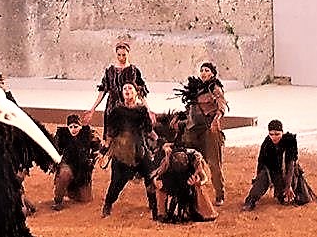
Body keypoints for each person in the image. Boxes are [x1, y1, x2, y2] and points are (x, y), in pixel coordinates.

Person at [101, 82, 158, 219]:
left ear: (136, 92)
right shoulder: (116, 111)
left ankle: (154, 205)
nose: (127, 90)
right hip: (122, 152)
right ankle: (108, 204)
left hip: (140, 150)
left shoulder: (142, 110)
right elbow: (110, 132)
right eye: (124, 88)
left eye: (130, 88)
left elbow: (148, 130)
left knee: (150, 177)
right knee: (117, 182)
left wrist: (159, 141)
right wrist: (105, 149)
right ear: (122, 93)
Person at [241, 119, 317, 211]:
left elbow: (291, 164)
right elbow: (261, 162)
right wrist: (258, 180)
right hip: (272, 172)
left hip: (290, 172)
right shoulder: (267, 143)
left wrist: (288, 186)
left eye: (277, 134)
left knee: (303, 200)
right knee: (261, 179)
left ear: (282, 133)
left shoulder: (290, 140)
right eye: (271, 134)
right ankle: (250, 202)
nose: (274, 137)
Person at [150, 113, 218, 223]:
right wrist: (157, 183)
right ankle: (162, 213)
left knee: (198, 187)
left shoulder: (195, 158)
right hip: (174, 179)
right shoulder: (169, 159)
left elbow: (205, 178)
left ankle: (205, 212)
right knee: (161, 187)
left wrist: (198, 183)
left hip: (189, 179)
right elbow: (156, 176)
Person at [178, 62, 228, 206]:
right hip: (193, 130)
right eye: (202, 70)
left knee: (214, 163)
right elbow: (190, 110)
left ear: (212, 73)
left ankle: (219, 194)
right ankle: (190, 191)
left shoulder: (214, 88)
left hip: (208, 130)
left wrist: (216, 120)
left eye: (207, 70)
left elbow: (222, 105)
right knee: (188, 160)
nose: (204, 73)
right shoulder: (195, 88)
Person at [0, 70, 39, 215]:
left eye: (2, 83)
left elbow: (18, 118)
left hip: (13, 147)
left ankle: (21, 202)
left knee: (14, 177)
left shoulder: (10, 100)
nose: (0, 86)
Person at [82, 41, 149, 137]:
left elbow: (140, 92)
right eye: (119, 55)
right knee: (112, 134)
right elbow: (103, 90)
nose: (121, 58)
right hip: (112, 106)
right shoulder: (110, 71)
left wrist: (148, 109)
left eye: (124, 55)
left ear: (128, 54)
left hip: (128, 106)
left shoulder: (134, 71)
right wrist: (93, 108)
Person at [51, 114, 103, 211]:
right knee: (64, 174)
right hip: (68, 164)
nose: (73, 129)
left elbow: (97, 147)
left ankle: (71, 190)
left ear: (80, 126)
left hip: (82, 168)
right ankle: (58, 200)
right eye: (70, 127)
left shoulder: (88, 134)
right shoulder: (62, 135)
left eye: (76, 126)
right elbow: (56, 150)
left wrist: (92, 159)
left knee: (85, 199)